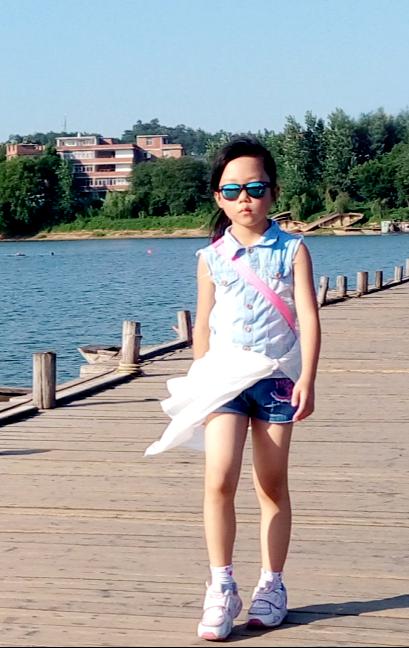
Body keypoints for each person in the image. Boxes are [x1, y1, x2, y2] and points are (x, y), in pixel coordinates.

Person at [145, 136, 321, 641]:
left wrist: (308, 378)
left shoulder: (293, 250)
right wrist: (201, 381)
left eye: (256, 188)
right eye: (233, 190)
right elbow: (203, 325)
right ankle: (221, 585)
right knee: (219, 479)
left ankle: (272, 583)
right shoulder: (211, 257)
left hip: (276, 379)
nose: (245, 199)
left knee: (271, 484)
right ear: (218, 198)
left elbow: (309, 318)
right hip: (223, 381)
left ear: (272, 192)